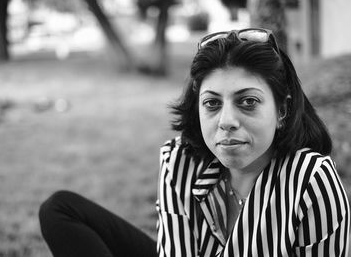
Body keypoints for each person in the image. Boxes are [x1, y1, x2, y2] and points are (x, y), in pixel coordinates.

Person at [39, 28, 350, 257]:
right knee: (60, 210)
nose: (226, 120)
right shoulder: (180, 161)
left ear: (282, 110)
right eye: (212, 104)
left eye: (248, 102)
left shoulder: (311, 179)